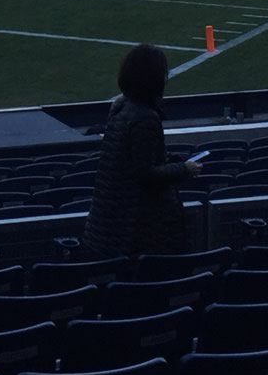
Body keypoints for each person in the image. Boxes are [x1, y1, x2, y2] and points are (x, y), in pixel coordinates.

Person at [82, 44, 197, 258]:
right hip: (134, 229)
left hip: (112, 222)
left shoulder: (122, 109)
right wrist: (184, 169)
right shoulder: (144, 117)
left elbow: (132, 161)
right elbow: (144, 173)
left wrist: (169, 161)